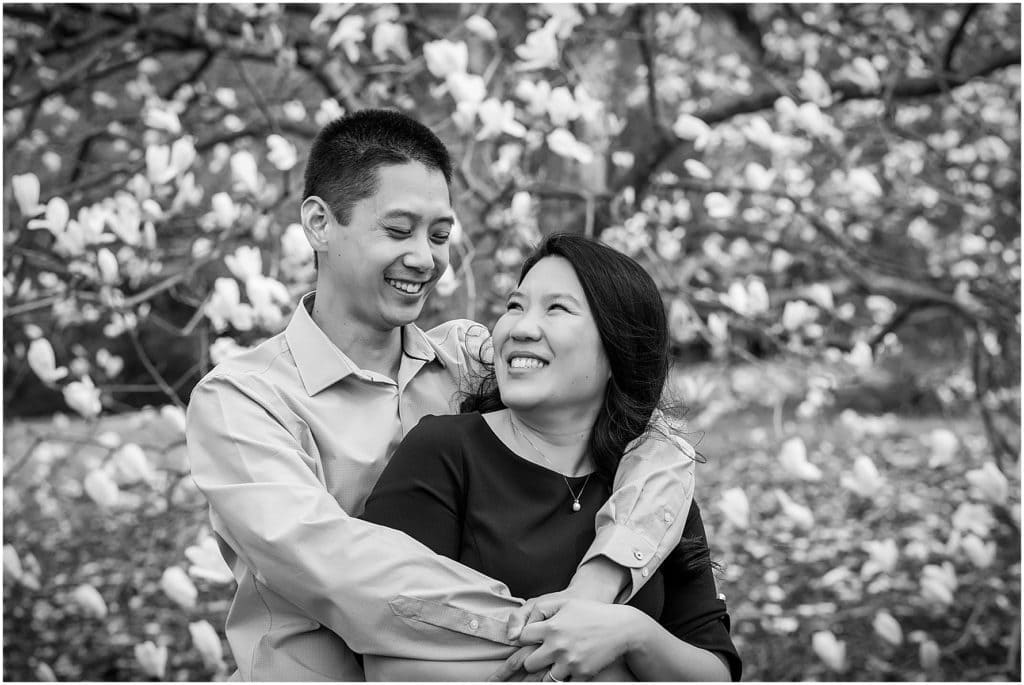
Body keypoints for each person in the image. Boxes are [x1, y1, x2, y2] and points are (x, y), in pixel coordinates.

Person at [186, 110, 698, 680]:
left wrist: (597, 588)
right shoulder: (243, 401)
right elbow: (341, 571)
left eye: (438, 236)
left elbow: (655, 444)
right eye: (398, 231)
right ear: (319, 223)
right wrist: (558, 635)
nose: (425, 259)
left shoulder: (469, 357)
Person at [361, 233, 741, 681]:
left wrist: (633, 633)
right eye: (515, 306)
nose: (520, 327)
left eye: (556, 308)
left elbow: (714, 670)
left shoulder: (652, 482)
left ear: (617, 346)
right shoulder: (443, 451)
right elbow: (393, 652)